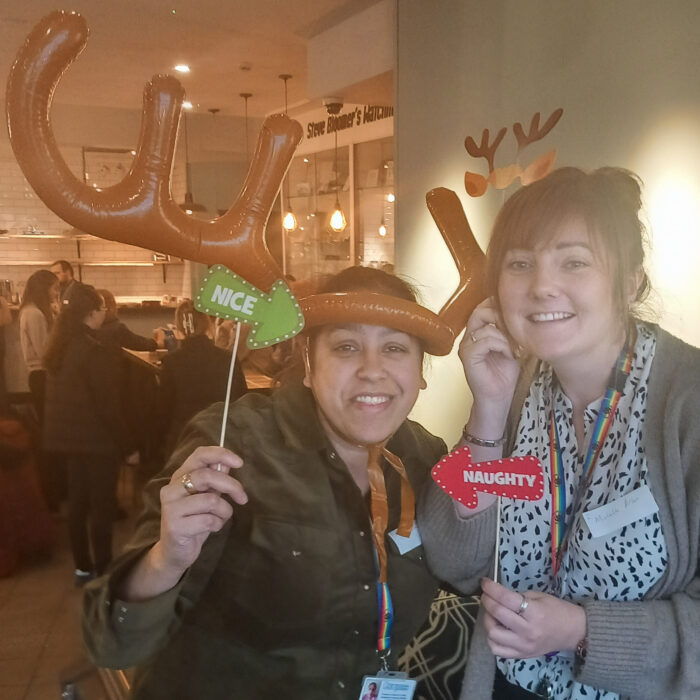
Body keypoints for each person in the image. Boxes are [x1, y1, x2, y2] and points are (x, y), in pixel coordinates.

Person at [82, 266, 469, 699]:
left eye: (395, 347)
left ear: (421, 372)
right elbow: (111, 643)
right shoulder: (235, 444)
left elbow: (468, 577)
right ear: (308, 362)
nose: (372, 370)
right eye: (346, 346)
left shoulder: (426, 458)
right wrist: (166, 559)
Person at [419, 167, 700, 699]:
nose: (541, 286)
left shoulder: (686, 406)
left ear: (630, 281)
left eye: (574, 262)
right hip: (504, 685)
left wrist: (581, 631)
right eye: (520, 263)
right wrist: (489, 407)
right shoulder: (519, 385)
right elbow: (452, 558)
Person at [43, 283, 135, 585]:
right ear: (93, 312)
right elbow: (108, 406)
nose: (105, 312)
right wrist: (128, 445)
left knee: (78, 504)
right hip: (98, 440)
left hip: (69, 439)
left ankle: (83, 568)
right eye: (102, 308)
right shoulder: (95, 350)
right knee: (101, 506)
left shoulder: (60, 346)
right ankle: (106, 568)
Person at [155, 299, 247, 458]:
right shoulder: (227, 359)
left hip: (183, 440)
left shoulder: (172, 362)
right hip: (222, 438)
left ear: (179, 326)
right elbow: (241, 401)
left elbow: (163, 412)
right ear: (207, 322)